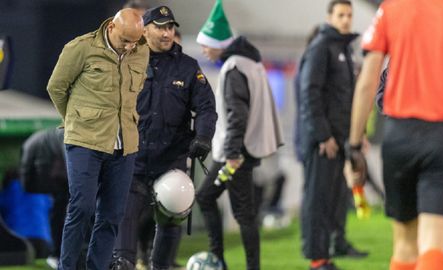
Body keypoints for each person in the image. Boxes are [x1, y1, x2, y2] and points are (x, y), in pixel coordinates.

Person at [344, 0, 443, 269]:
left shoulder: (391, 10)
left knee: (406, 245)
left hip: (400, 137)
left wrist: (354, 145)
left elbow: (367, 83)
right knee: (435, 245)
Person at [110, 6, 217, 270]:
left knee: (174, 211)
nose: (167, 32)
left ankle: (163, 265)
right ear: (145, 30)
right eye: (160, 26)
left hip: (170, 161)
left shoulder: (188, 67)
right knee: (123, 216)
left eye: (170, 27)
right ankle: (122, 262)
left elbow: (206, 108)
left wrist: (203, 137)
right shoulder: (127, 61)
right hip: (132, 159)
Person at [46, 8, 149, 270]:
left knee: (113, 215)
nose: (128, 46)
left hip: (125, 143)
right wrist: (77, 120)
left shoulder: (141, 51)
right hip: (84, 141)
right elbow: (56, 87)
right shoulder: (80, 48)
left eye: (133, 42)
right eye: (125, 40)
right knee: (81, 208)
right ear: (111, 28)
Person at [195, 1, 283, 269]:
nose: (203, 50)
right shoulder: (248, 62)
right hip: (242, 150)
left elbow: (237, 115)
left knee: (232, 209)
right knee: (236, 209)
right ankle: (222, 259)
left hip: (236, 154)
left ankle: (220, 259)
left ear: (218, 43)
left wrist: (232, 154)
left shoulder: (234, 68)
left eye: (205, 44)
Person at [296, 1, 366, 269]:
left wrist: (354, 136)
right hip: (323, 143)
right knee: (318, 200)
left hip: (339, 141)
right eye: (341, 15)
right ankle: (317, 260)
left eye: (349, 15)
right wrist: (323, 135)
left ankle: (325, 255)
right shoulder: (321, 47)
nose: (346, 19)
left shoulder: (343, 48)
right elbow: (309, 94)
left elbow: (346, 100)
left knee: (332, 200)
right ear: (329, 17)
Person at [19, 128, 67, 269]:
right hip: (62, 181)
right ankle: (58, 254)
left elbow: (25, 169)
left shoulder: (33, 143)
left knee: (60, 214)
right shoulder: (56, 138)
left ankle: (58, 254)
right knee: (61, 214)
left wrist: (27, 186)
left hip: (60, 181)